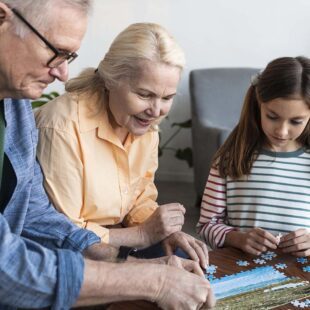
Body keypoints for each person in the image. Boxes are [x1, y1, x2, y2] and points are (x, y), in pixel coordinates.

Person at [0, 1, 215, 309]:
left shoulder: (15, 103)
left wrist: (130, 260)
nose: (63, 73)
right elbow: (8, 269)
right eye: (55, 51)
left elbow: (37, 214)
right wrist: (146, 275)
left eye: (69, 56)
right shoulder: (60, 121)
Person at [35, 22, 208, 267]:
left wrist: (167, 232)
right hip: (67, 255)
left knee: (188, 261)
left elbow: (139, 198)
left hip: (120, 239)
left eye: (167, 97)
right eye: (144, 95)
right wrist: (142, 235)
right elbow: (65, 234)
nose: (156, 111)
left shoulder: (145, 123)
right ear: (110, 80)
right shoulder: (62, 125)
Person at [197, 56, 310, 257]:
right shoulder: (229, 158)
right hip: (242, 278)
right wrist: (237, 238)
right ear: (258, 103)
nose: (282, 131)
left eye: (296, 121)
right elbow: (206, 225)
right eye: (272, 117)